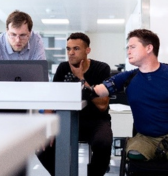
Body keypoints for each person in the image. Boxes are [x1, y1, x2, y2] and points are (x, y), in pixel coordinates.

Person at [83, 29, 168, 163]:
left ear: (149, 48)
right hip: (145, 138)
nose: (128, 51)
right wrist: (81, 85)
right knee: (134, 155)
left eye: (132, 47)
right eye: (127, 48)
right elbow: (97, 91)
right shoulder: (128, 77)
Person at [37, 32, 113, 176]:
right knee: (41, 146)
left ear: (87, 50)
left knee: (103, 142)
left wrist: (81, 79)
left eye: (76, 49)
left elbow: (102, 105)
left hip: (95, 121)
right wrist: (47, 125)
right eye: (68, 49)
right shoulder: (63, 68)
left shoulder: (101, 68)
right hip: (67, 120)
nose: (71, 53)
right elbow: (52, 99)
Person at [0, 10, 46, 81]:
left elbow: (40, 77)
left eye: (23, 35)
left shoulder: (36, 41)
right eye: (13, 35)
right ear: (7, 31)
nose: (18, 40)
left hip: (28, 89)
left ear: (30, 32)